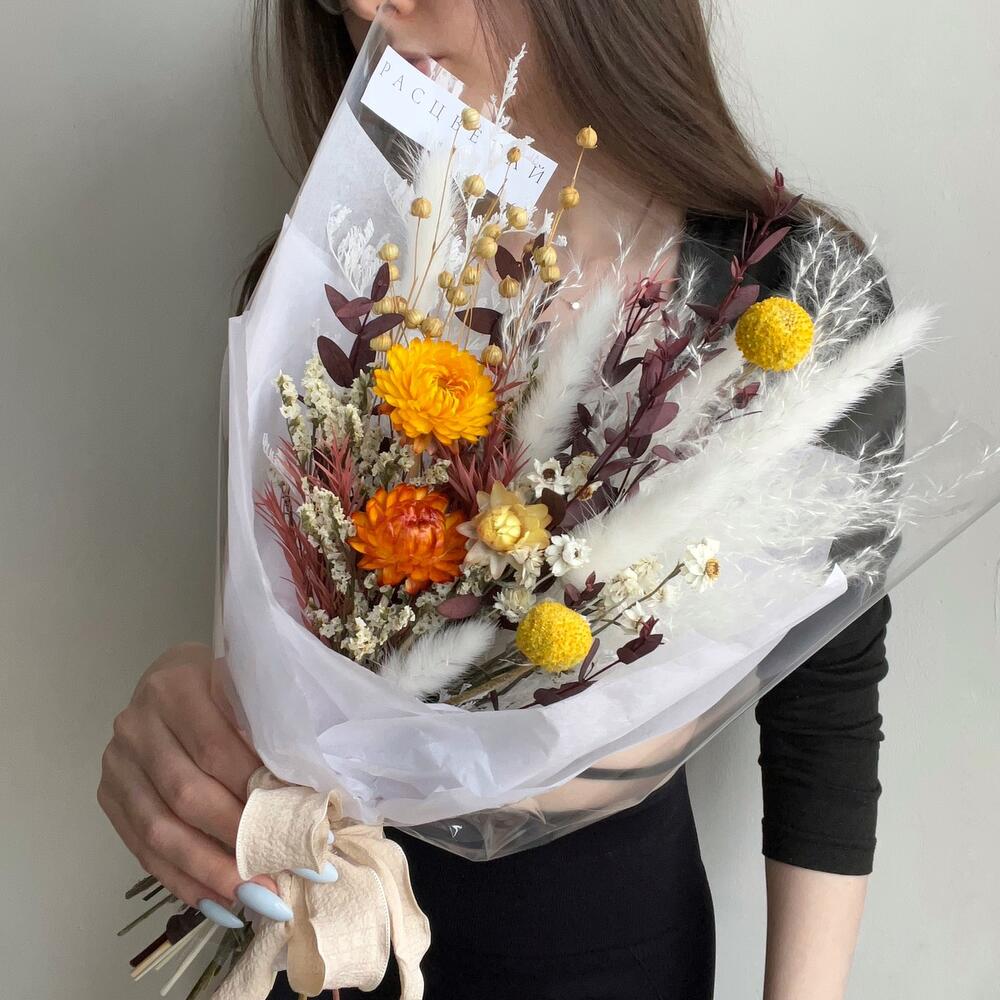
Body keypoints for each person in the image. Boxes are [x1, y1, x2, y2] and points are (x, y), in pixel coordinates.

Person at [98, 3, 901, 997]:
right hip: (324, 934)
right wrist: (192, 724)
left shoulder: (788, 298)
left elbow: (826, 693)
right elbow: (262, 662)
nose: (364, 5)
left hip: (602, 953)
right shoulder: (326, 278)